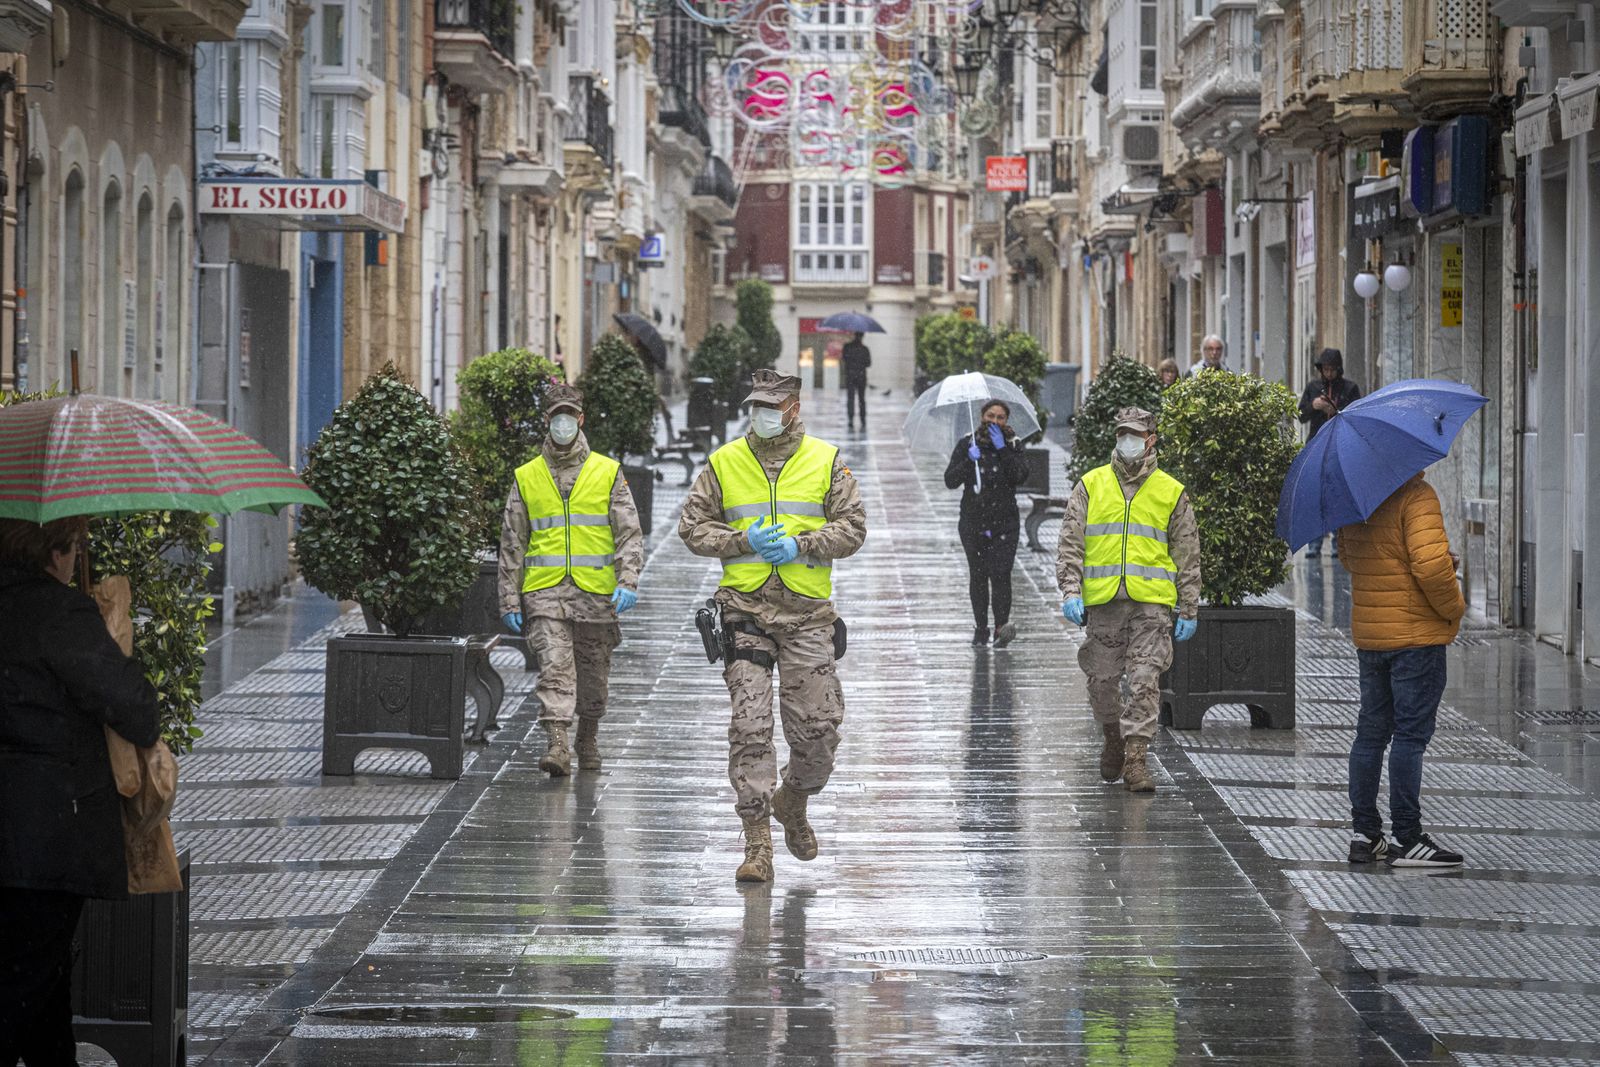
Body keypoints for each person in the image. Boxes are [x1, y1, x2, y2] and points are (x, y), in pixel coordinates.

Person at [679, 369, 867, 882]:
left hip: (807, 616)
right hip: (744, 611)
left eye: (771, 406)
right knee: (750, 726)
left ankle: (794, 800)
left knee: (819, 732)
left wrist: (802, 544)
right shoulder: (724, 462)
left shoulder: (826, 461)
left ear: (793, 409)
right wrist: (743, 541)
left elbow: (854, 528)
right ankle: (757, 841)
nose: (761, 414)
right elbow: (691, 528)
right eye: (756, 406)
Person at [0, 516, 161, 1062]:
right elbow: (134, 708)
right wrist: (112, 636)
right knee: (24, 983)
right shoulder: (58, 612)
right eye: (74, 548)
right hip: (44, 837)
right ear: (55, 552)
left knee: (43, 991)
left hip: (25, 837)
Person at [498, 382, 644, 777]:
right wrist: (509, 598)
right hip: (545, 592)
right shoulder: (527, 476)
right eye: (555, 416)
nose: (562, 423)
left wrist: (628, 580)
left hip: (596, 593)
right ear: (547, 421)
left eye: (569, 415)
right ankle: (558, 745)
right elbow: (512, 541)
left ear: (580, 419)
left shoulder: (607, 472)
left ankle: (587, 737)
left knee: (594, 677)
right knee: (554, 667)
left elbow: (629, 533)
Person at [1056, 407, 1201, 793]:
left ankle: (1136, 759)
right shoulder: (1091, 485)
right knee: (1102, 683)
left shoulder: (1171, 492)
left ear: (1151, 440)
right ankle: (1112, 737)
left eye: (1135, 435)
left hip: (1151, 606)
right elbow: (1070, 542)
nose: (1127, 441)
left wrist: (1189, 607)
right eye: (1122, 434)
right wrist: (1071, 590)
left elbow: (1187, 553)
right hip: (1104, 604)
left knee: (1144, 681)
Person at [1339, 472, 1466, 867]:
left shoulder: (1355, 497)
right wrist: (1454, 608)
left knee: (1370, 734)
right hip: (1416, 638)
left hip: (1372, 636)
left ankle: (1365, 835)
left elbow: (1350, 558)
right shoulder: (1416, 494)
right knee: (1410, 736)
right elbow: (1430, 568)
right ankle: (1407, 838)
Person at [944, 400, 1027, 648]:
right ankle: (981, 628)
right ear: (982, 416)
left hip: (1005, 523)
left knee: (1001, 573)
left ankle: (1001, 627)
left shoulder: (1013, 444)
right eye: (990, 416)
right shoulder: (967, 444)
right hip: (974, 522)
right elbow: (950, 480)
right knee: (978, 575)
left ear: (1006, 420)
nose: (994, 421)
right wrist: (968, 461)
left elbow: (1020, 475)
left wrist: (1003, 450)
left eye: (1000, 417)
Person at [1298, 348, 1363, 558]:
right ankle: (1314, 542)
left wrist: (1336, 410)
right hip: (1317, 445)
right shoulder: (1313, 387)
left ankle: (1338, 541)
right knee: (1316, 496)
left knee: (1338, 495)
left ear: (1338, 369)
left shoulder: (1350, 388)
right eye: (1325, 369)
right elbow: (1301, 415)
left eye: (1332, 370)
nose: (1328, 374)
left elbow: (1355, 415)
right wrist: (1314, 405)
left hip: (1340, 447)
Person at [841, 331, 872, 432]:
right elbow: (868, 363)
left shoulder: (847, 347)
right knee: (861, 399)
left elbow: (844, 359)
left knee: (851, 398)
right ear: (862, 336)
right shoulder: (865, 349)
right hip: (861, 377)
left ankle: (850, 419)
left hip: (850, 376)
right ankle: (863, 419)